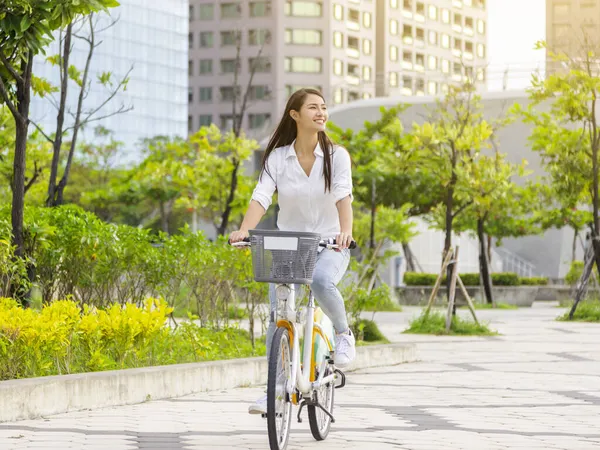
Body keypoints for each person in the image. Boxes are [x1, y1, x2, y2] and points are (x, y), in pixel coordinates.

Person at [229, 88, 356, 415]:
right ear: (295, 114)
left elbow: (343, 196)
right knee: (279, 314)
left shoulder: (336, 155)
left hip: (329, 243)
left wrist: (346, 232)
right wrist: (244, 229)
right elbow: (261, 196)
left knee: (320, 279)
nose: (321, 112)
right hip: (290, 245)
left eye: (324, 107)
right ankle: (275, 389)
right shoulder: (277, 158)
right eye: (313, 107)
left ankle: (344, 333)